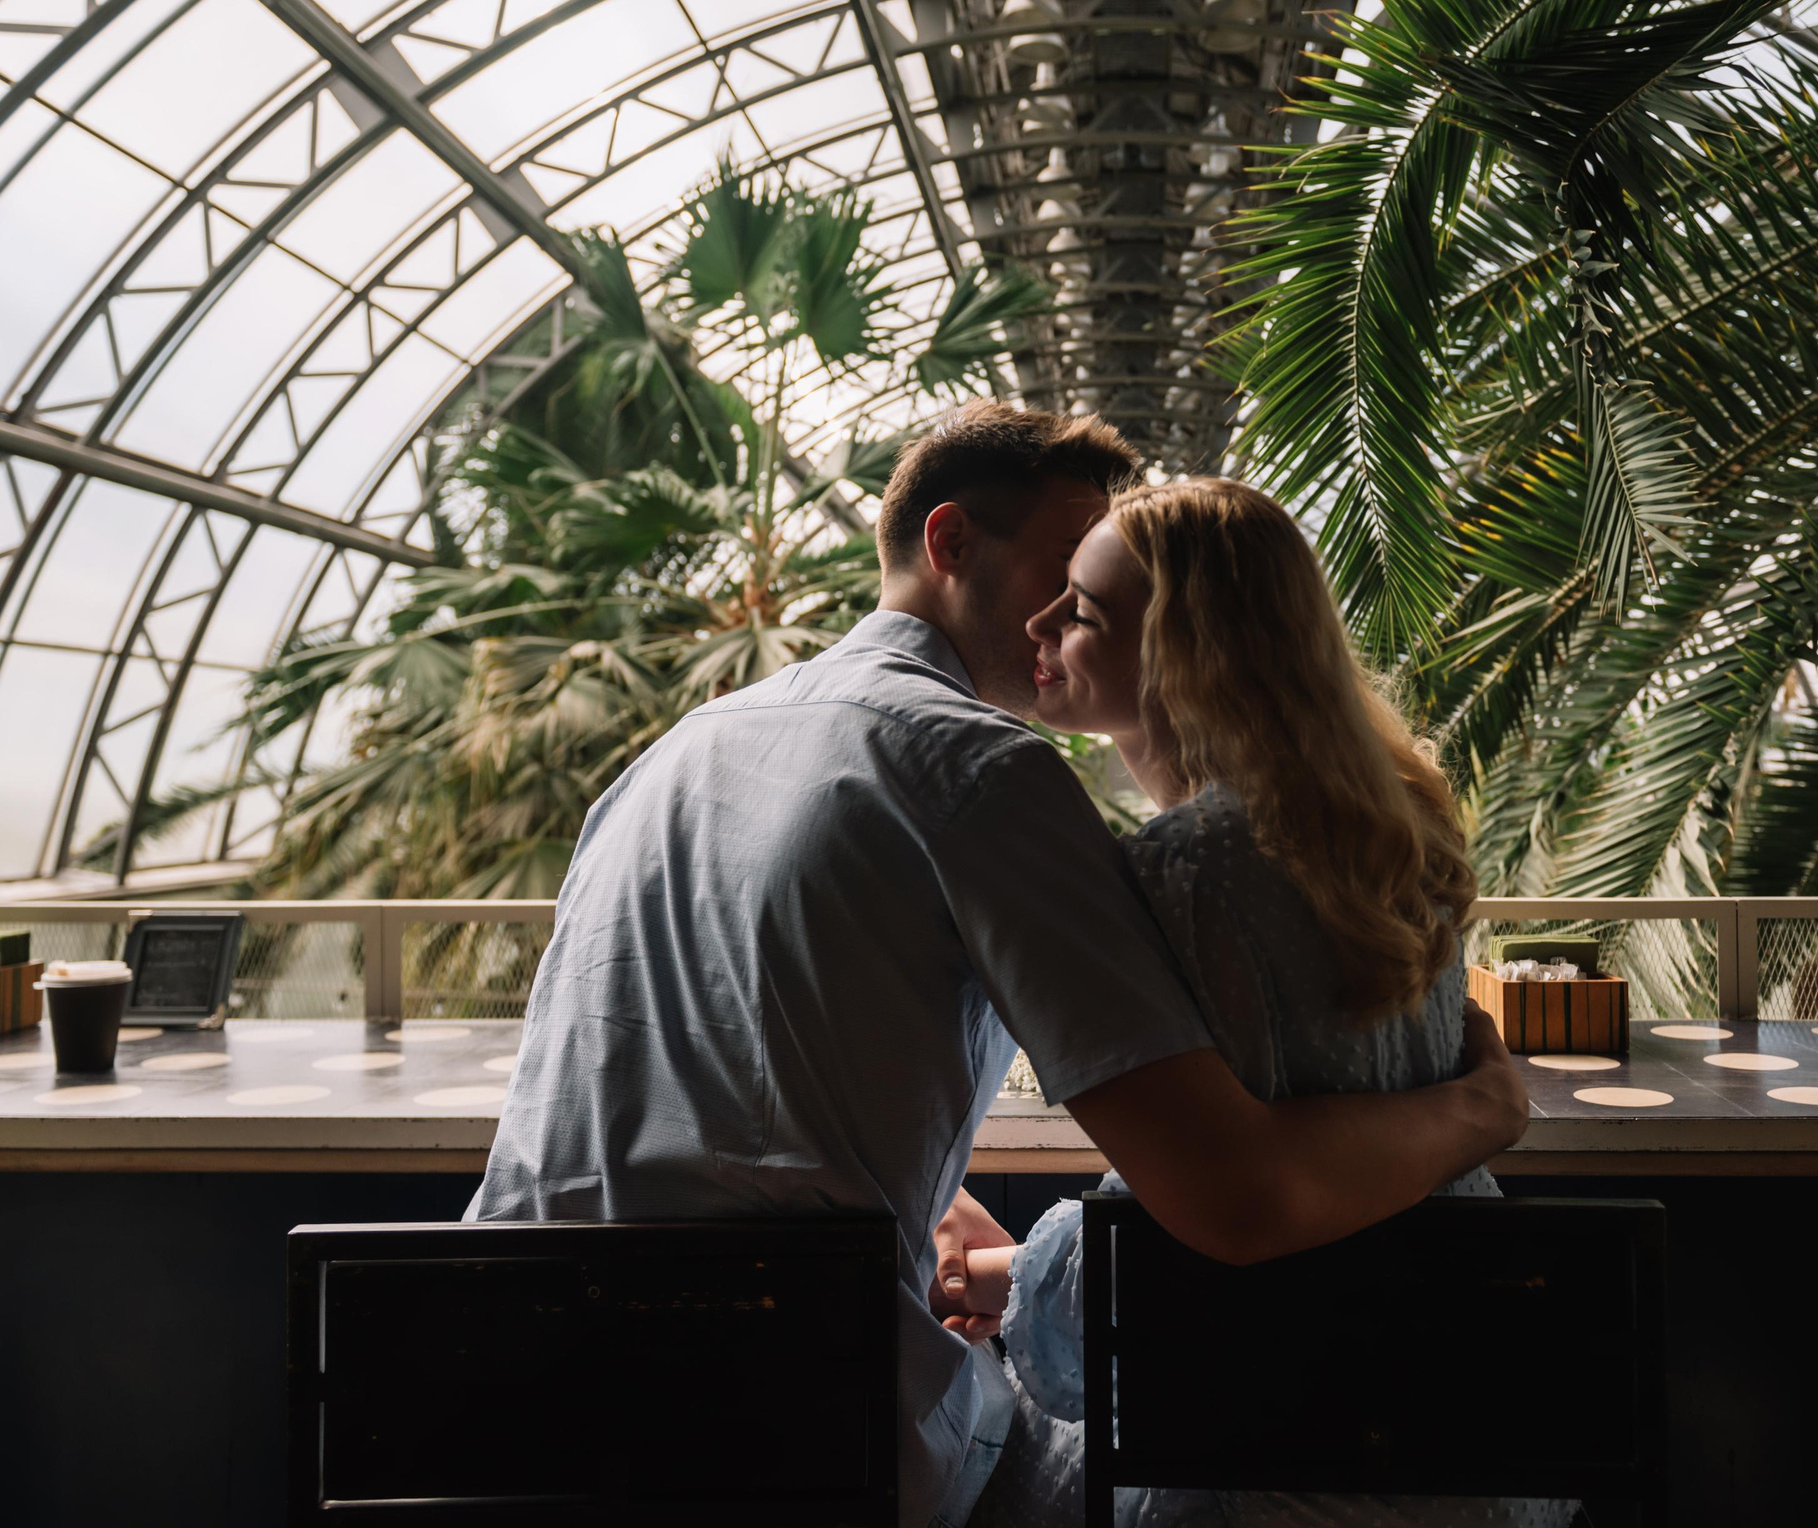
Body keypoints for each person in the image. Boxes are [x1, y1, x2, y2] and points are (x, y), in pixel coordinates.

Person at [469, 405, 1532, 1528]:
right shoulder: (976, 767)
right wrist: (1484, 1102)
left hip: (497, 1399)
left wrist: (917, 1189)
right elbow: (1234, 1193)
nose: (1061, 606)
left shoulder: (672, 756)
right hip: (786, 1429)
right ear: (950, 544)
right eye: (1059, 562)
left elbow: (689, 1070)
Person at [960, 476, 1574, 1528]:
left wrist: (996, 1269)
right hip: (1452, 1389)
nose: (1041, 622)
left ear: (1185, 656)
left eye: (1084, 610)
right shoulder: (1394, 834)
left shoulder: (1191, 864)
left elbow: (1233, 1210)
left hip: (1282, 1425)